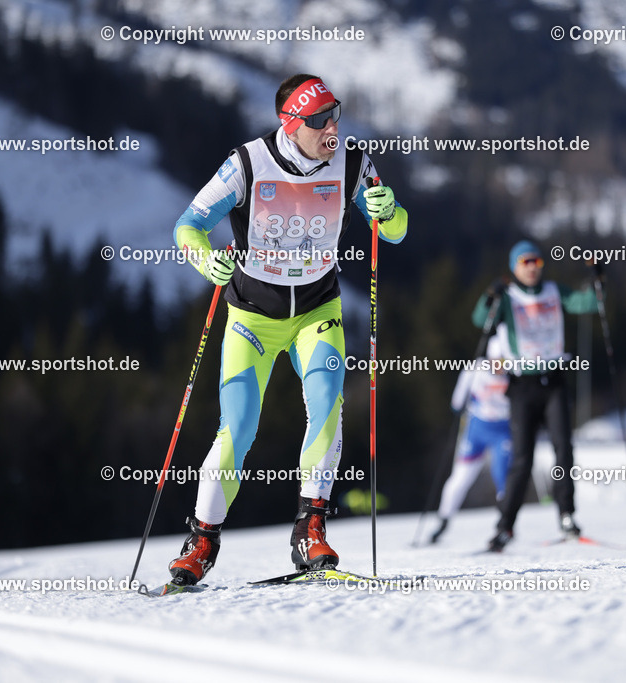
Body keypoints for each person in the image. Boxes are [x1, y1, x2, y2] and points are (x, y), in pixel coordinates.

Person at [166, 74, 408, 586]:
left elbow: (395, 231)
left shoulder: (354, 164)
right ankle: (202, 541)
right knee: (238, 427)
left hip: (317, 310)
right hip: (252, 314)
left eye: (335, 115)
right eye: (319, 121)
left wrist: (389, 211)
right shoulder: (247, 164)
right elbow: (187, 225)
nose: (332, 129)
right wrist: (204, 260)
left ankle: (310, 529)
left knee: (326, 405)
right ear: (290, 124)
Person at [472, 240, 597, 552]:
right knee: (522, 459)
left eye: (536, 262)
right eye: (525, 262)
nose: (531, 268)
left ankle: (567, 516)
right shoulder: (508, 297)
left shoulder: (554, 291)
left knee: (563, 451)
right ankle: (505, 527)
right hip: (523, 386)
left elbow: (588, 303)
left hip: (554, 381)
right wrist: (490, 296)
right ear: (514, 266)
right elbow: (481, 320)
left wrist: (598, 279)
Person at [430, 333, 512, 544]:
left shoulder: (515, 373)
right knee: (460, 478)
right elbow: (457, 403)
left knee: (503, 476)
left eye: (504, 362)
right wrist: (462, 405)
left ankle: (505, 524)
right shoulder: (474, 371)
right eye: (497, 362)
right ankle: (443, 521)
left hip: (503, 430)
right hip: (476, 430)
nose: (500, 367)